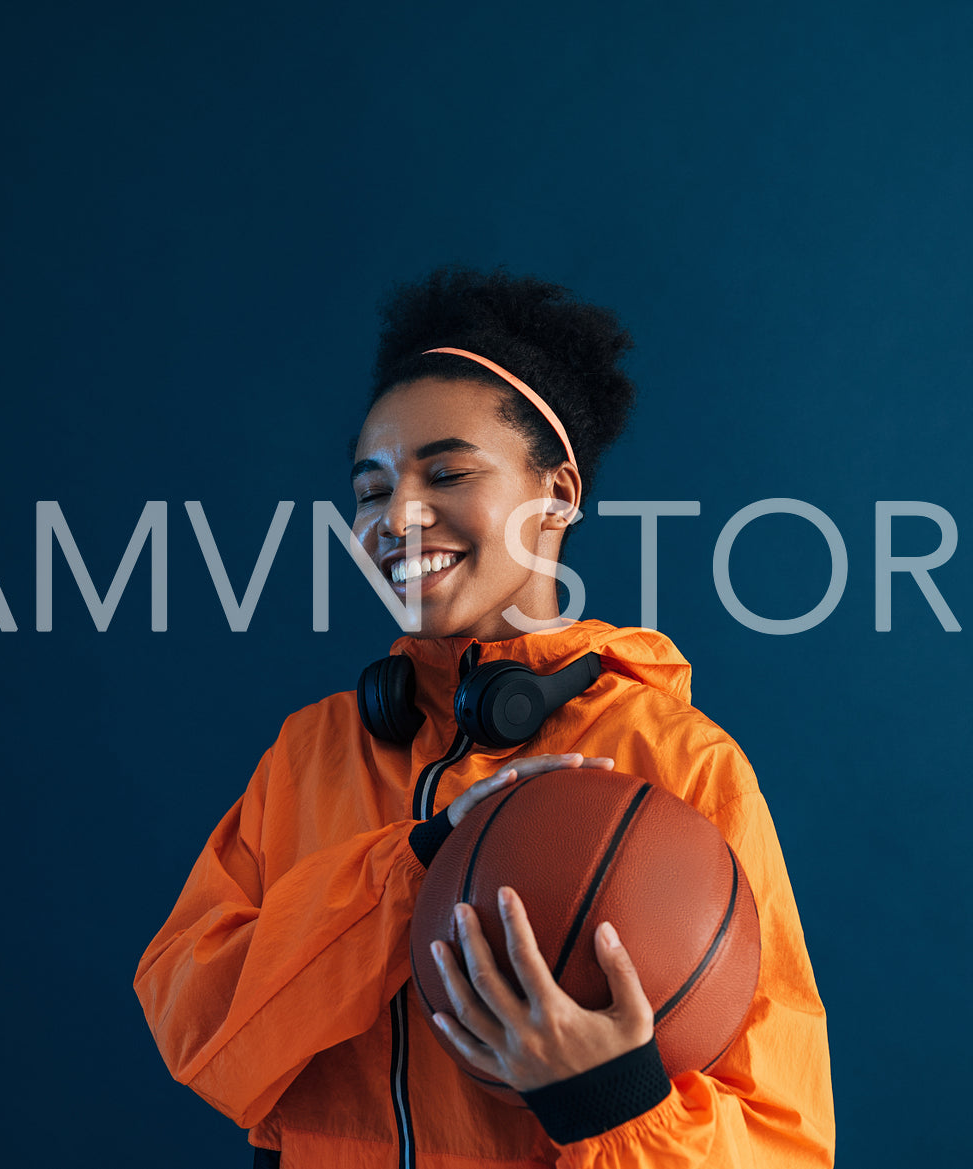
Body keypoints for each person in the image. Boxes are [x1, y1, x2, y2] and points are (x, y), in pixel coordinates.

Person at [133, 264, 836, 1167]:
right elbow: (195, 1031)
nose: (398, 517)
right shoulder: (313, 749)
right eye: (371, 489)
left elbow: (783, 1142)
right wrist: (415, 863)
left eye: (447, 472)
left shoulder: (673, 760)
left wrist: (609, 1099)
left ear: (558, 493)